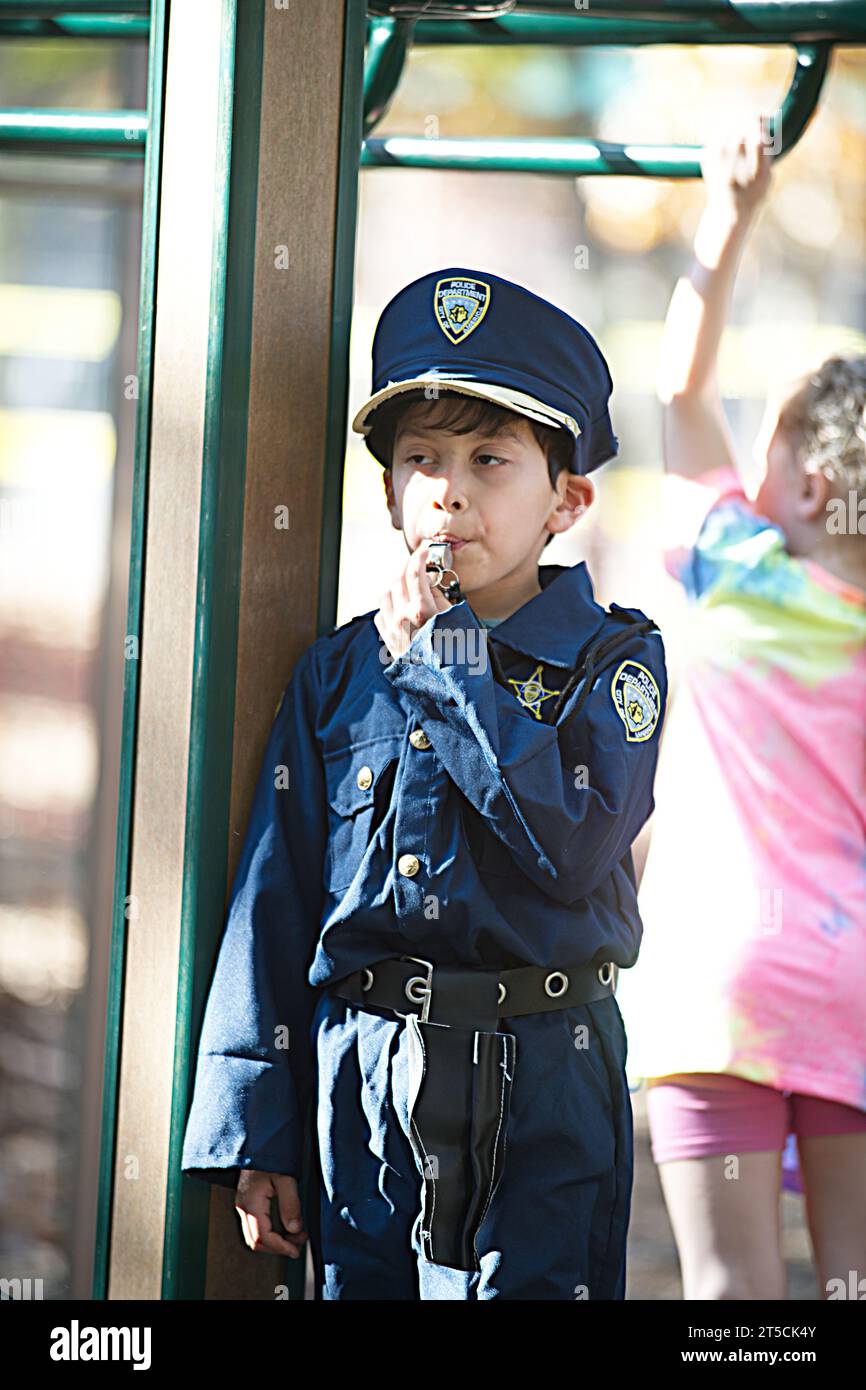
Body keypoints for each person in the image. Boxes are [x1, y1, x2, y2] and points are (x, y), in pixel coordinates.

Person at [180, 266, 668, 1300]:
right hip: (364, 1080)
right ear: (389, 489)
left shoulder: (612, 665)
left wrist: (447, 663)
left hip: (545, 1076)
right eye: (419, 459)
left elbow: (569, 846)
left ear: (565, 500)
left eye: (490, 459)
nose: (448, 488)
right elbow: (276, 895)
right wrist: (254, 1119)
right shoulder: (337, 670)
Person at [615, 121, 866, 1299]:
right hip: (850, 979)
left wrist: (728, 213)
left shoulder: (734, 567)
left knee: (732, 1295)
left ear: (806, 484)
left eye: (760, 455)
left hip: (719, 978)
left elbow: (675, 385)